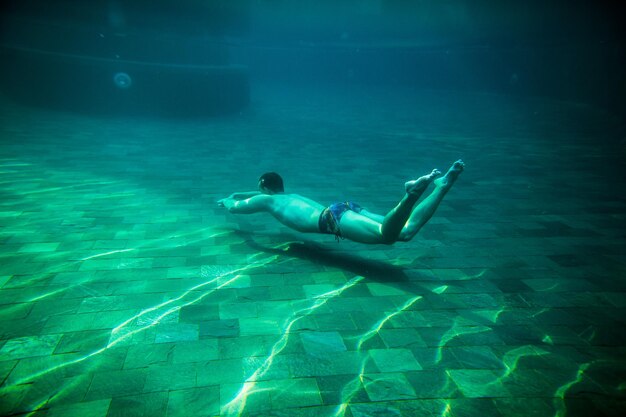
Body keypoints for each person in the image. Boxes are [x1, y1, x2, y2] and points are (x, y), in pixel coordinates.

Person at [218, 160, 464, 244]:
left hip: (332, 219)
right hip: (341, 209)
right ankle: (442, 186)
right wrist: (240, 193)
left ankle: (411, 193)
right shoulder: (285, 197)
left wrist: (228, 200)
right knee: (406, 231)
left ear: (262, 187)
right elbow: (252, 193)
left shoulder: (266, 201)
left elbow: (238, 208)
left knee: (386, 235)